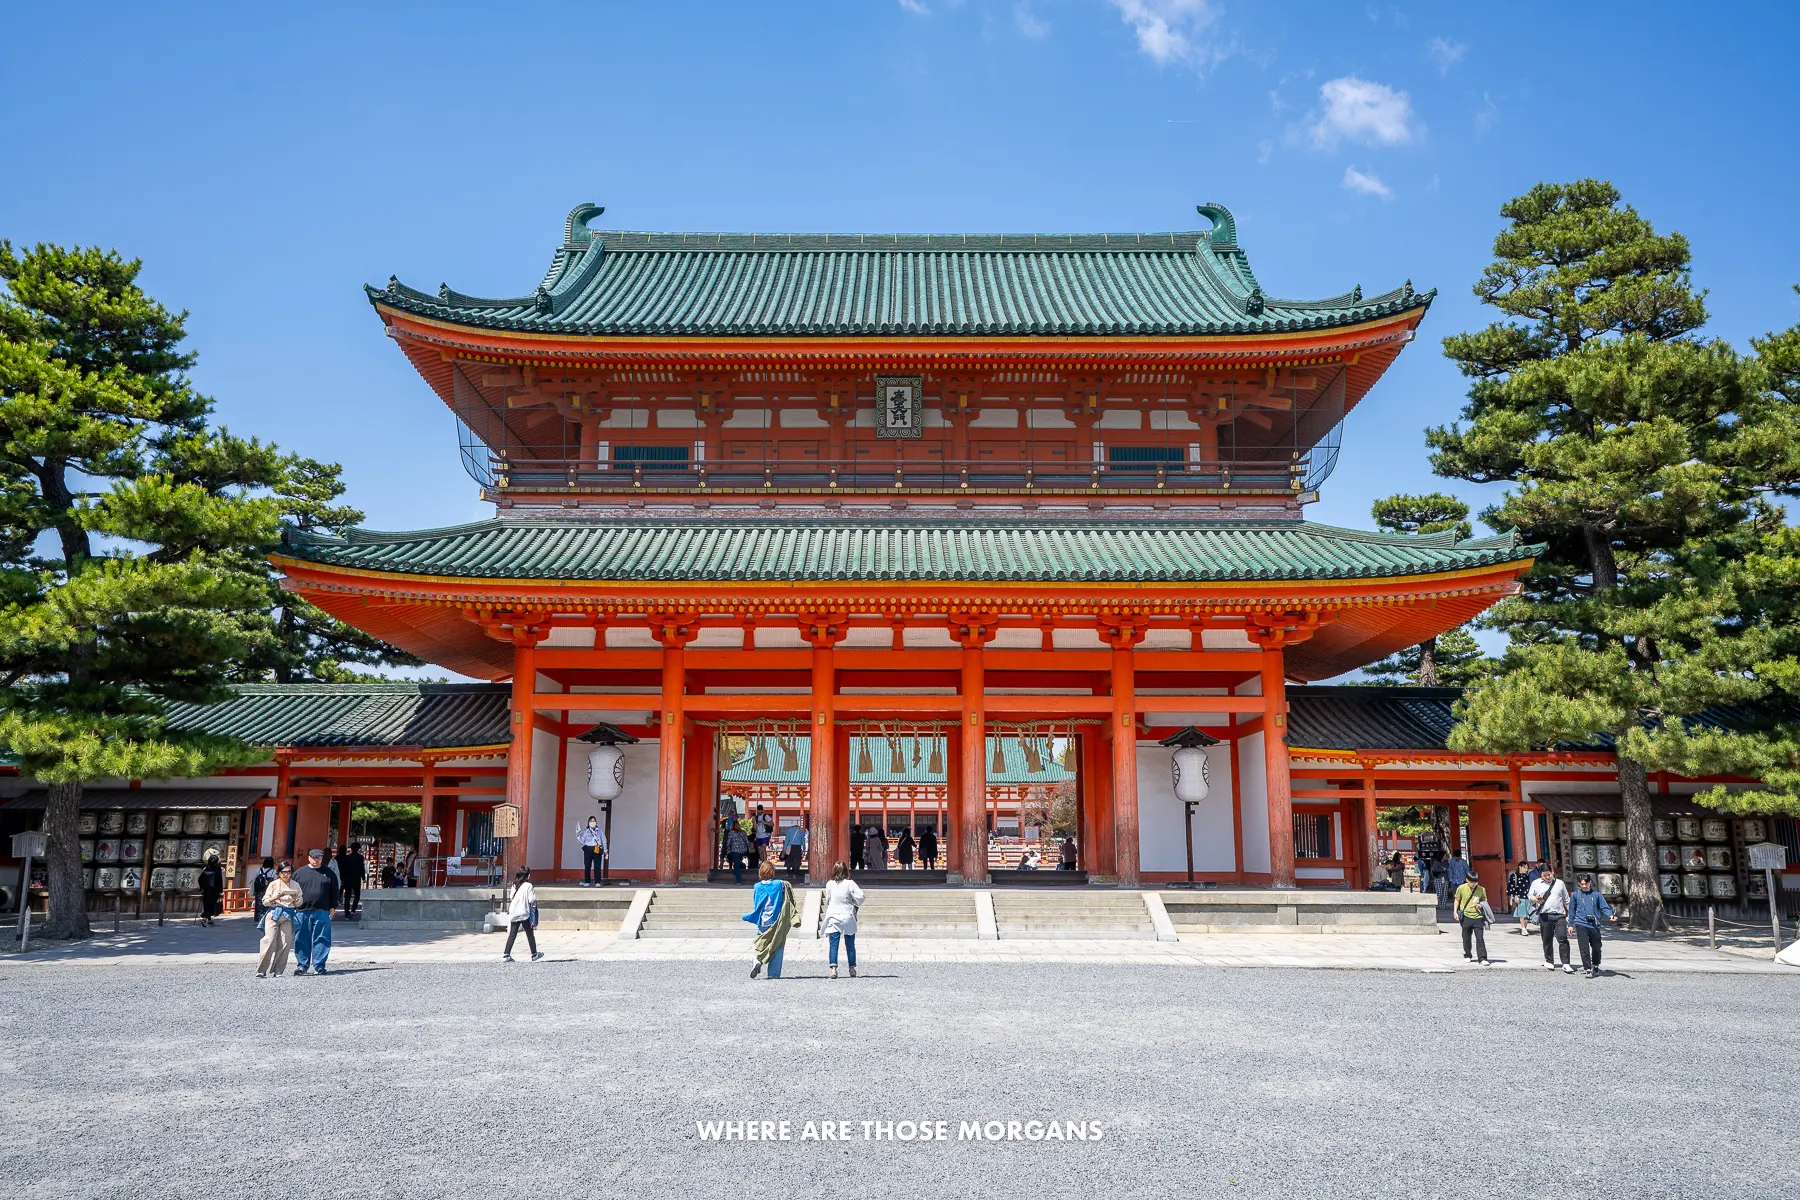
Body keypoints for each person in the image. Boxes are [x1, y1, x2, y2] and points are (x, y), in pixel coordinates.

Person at [743, 860, 796, 979]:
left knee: (762, 942)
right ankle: (773, 973)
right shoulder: (778, 884)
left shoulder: (757, 886)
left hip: (762, 919)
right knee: (777, 944)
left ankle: (758, 960)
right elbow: (785, 884)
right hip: (775, 920)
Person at [291, 849, 340, 976]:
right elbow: (292, 890)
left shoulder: (329, 873)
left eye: (318, 857)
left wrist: (333, 906)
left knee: (322, 938)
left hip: (322, 910)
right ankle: (302, 965)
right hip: (302, 910)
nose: (316, 859)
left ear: (322, 858)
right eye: (313, 857)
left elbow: (335, 889)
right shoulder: (299, 873)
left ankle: (319, 965)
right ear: (309, 858)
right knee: (301, 938)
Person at [256, 861, 302, 978]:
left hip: (288, 913)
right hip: (274, 912)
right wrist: (276, 897)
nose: (286, 875)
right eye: (284, 872)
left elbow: (300, 902)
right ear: (279, 873)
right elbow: (265, 901)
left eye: (289, 872)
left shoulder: (295, 885)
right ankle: (261, 969)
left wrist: (295, 898)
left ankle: (279, 970)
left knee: (285, 942)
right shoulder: (273, 884)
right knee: (269, 940)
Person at [1568, 873, 1617, 977]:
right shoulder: (1575, 895)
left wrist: (1610, 915)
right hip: (1580, 923)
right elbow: (1571, 910)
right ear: (1579, 884)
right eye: (1582, 884)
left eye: (1586, 883)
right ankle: (1587, 968)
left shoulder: (1597, 895)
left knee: (1596, 947)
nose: (1585, 886)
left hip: (1594, 924)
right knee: (1584, 947)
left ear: (1590, 882)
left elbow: (1604, 907)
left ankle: (1595, 964)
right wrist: (1570, 924)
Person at [822, 861, 864, 979]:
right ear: (846, 871)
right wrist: (855, 902)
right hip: (847, 915)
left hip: (834, 916)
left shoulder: (829, 884)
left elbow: (828, 899)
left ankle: (833, 969)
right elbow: (860, 896)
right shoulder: (850, 883)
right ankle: (852, 968)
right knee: (850, 943)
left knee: (833, 944)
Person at [1529, 866, 1574, 973]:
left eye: (1549, 874)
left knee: (1562, 937)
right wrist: (1535, 899)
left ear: (1553, 872)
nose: (1548, 877)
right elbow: (1530, 895)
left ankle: (1566, 963)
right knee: (1547, 939)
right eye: (1545, 875)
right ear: (1541, 875)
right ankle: (1549, 960)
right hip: (1545, 915)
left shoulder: (1560, 883)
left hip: (1559, 915)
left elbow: (1566, 900)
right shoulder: (1536, 883)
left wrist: (1572, 915)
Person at [1452, 869, 1493, 965]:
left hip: (1478, 916)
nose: (1474, 884)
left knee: (1480, 938)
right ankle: (1467, 954)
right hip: (1466, 915)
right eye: (1472, 882)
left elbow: (1484, 901)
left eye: (1476, 882)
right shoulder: (1461, 888)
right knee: (1466, 937)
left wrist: (1480, 905)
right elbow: (1457, 900)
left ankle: (1482, 958)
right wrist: (1455, 912)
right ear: (1467, 880)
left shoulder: (1481, 889)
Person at [503, 866, 544, 962]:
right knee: (530, 934)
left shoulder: (514, 885)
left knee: (512, 934)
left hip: (514, 911)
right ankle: (534, 954)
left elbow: (511, 897)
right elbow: (531, 899)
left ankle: (506, 954)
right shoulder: (528, 886)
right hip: (524, 912)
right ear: (527, 875)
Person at [1507, 860, 1537, 936]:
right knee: (1522, 914)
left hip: (1528, 896)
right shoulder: (1514, 876)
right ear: (1520, 867)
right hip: (1520, 896)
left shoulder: (1527, 876)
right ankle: (1523, 928)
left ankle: (1525, 928)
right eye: (1524, 867)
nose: (1526, 869)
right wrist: (1514, 895)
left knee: (1527, 914)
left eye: (1527, 868)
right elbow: (1511, 886)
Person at [197, 853, 225, 926]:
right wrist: (220, 890)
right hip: (214, 890)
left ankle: (209, 920)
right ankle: (204, 919)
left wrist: (201, 888)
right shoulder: (218, 868)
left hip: (206, 890)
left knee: (207, 904)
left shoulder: (206, 868)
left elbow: (200, 879)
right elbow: (219, 880)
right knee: (211, 905)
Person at [579, 816, 607, 886]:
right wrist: (578, 836)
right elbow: (582, 841)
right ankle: (587, 881)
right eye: (591, 821)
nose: (592, 822)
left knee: (597, 866)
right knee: (587, 866)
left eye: (594, 821)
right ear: (588, 822)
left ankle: (597, 882)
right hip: (588, 849)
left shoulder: (599, 830)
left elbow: (603, 840)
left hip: (597, 848)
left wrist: (605, 850)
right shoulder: (586, 831)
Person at [250, 856, 278, 927]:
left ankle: (258, 919)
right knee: (267, 905)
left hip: (259, 891)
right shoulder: (273, 872)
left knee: (259, 905)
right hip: (269, 891)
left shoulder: (259, 870)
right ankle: (266, 919)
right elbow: (276, 882)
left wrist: (252, 891)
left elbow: (253, 881)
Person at [724, 820, 751, 885]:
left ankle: (739, 880)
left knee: (736, 865)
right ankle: (736, 871)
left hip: (735, 851)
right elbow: (747, 842)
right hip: (743, 851)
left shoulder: (731, 833)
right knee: (738, 861)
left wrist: (727, 849)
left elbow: (728, 843)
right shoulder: (743, 832)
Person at [341, 843, 365, 915]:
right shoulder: (360, 857)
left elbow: (343, 869)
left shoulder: (347, 857)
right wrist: (363, 877)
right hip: (356, 878)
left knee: (347, 896)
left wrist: (342, 878)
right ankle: (353, 909)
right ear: (358, 849)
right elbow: (361, 868)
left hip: (347, 878)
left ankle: (346, 912)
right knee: (357, 895)